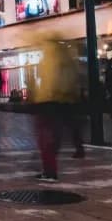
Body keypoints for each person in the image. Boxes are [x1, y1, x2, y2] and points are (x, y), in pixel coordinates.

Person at [30, 33, 82, 182]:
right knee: (55, 136)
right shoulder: (66, 56)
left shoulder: (49, 57)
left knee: (46, 138)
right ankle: (51, 168)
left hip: (48, 101)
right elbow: (73, 78)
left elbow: (46, 80)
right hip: (63, 100)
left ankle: (50, 171)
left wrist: (38, 97)